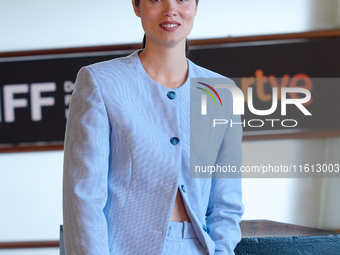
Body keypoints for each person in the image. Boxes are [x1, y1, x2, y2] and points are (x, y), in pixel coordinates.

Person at [62, 0, 244, 254]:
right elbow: (84, 198)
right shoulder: (100, 82)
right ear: (136, 6)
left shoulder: (221, 92)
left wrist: (223, 251)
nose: (171, 9)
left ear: (196, 6)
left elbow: (226, 201)